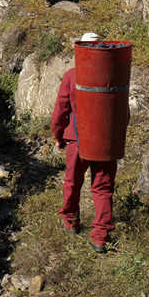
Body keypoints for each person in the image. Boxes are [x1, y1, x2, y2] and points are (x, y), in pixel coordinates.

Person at [51, 32, 117, 254]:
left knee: (72, 182)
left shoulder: (72, 75)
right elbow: (122, 112)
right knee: (103, 188)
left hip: (78, 141)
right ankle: (101, 236)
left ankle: (70, 221)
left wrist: (58, 135)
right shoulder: (113, 74)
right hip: (106, 141)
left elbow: (61, 109)